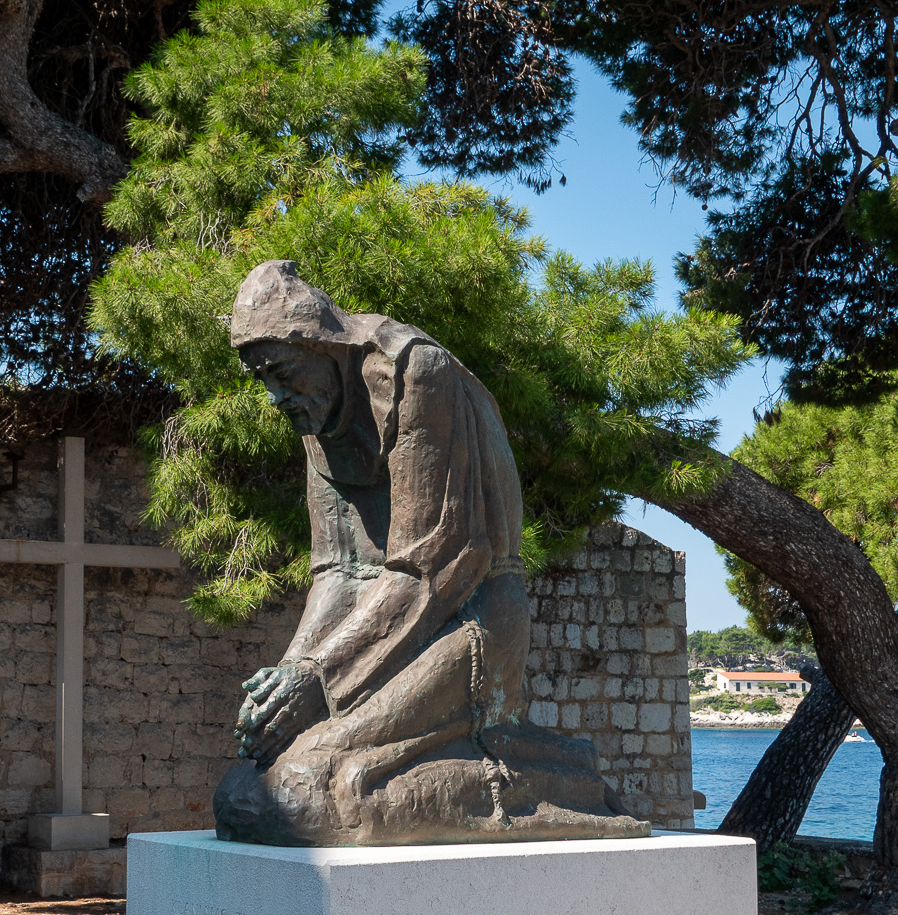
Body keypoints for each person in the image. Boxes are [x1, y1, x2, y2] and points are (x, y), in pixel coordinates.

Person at [213, 260, 646, 846]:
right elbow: (337, 573)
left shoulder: (415, 369)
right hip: (383, 632)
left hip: (468, 620)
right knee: (250, 788)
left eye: (281, 371)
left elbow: (431, 566)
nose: (274, 394)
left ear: (322, 344)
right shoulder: (315, 412)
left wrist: (317, 680)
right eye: (262, 377)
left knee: (304, 793)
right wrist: (289, 678)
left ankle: (556, 780)